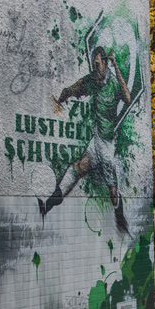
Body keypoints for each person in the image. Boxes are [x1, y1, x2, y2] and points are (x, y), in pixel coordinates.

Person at [41, 46, 132, 234]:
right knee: (77, 168)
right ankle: (47, 205)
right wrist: (64, 94)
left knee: (112, 191)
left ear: (105, 63)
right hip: (96, 140)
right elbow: (76, 87)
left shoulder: (114, 83)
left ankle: (120, 220)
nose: (95, 68)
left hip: (107, 144)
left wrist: (116, 66)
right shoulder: (93, 80)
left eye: (98, 64)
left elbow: (127, 98)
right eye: (93, 65)